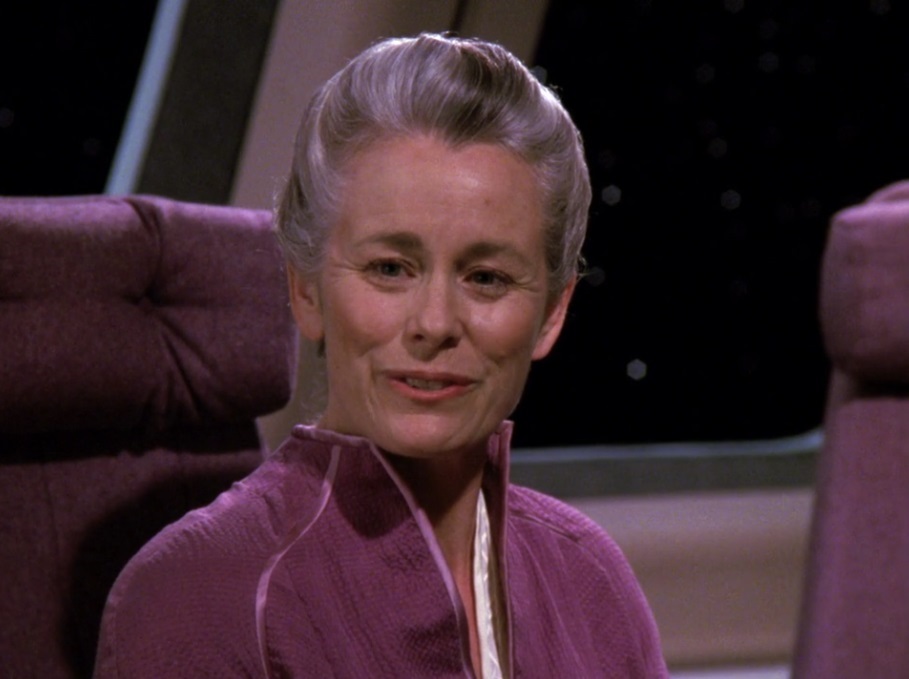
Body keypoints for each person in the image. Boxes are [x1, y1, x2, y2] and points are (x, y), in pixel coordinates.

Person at [94, 33, 668, 678]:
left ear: (553, 312)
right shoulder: (193, 600)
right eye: (390, 268)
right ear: (306, 289)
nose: (434, 324)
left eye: (486, 278)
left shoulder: (590, 579)